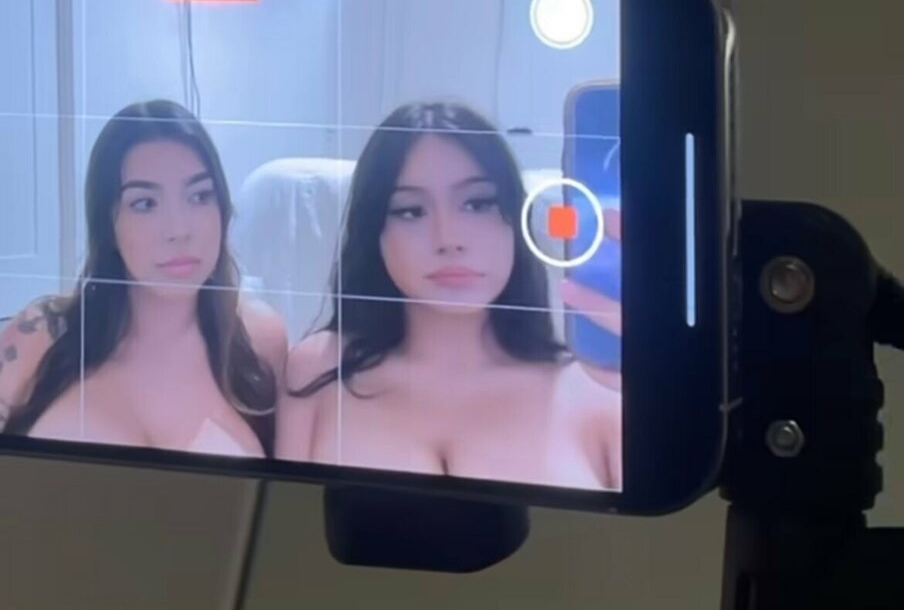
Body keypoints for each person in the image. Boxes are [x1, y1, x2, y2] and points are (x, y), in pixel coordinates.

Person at [276, 101, 622, 490]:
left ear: (515, 220)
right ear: (375, 233)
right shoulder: (319, 370)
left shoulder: (597, 393)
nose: (449, 239)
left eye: (478, 204)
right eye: (411, 211)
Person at [0, 99, 287, 457]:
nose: (179, 230)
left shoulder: (261, 339)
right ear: (109, 223)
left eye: (199, 196)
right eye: (145, 204)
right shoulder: (43, 334)